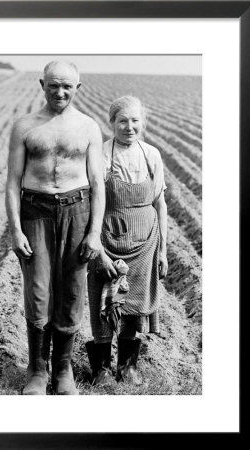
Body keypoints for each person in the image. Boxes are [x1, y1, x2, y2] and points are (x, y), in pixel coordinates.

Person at [5, 61, 105, 395]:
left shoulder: (89, 128)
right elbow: (11, 183)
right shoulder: (25, 126)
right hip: (36, 212)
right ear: (41, 84)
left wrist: (94, 233)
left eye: (67, 86)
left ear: (79, 87)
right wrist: (15, 230)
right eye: (53, 85)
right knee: (38, 290)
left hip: (77, 211)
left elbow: (97, 185)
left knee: (72, 290)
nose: (60, 92)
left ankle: (63, 370)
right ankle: (37, 370)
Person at [86, 95, 168, 386]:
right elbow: (91, 199)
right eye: (122, 121)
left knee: (134, 305)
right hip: (108, 239)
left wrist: (163, 251)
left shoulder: (152, 155)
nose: (129, 127)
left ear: (143, 123)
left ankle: (128, 367)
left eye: (135, 121)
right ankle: (101, 370)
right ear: (112, 123)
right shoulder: (101, 154)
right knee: (103, 303)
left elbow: (160, 204)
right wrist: (95, 244)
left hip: (145, 242)